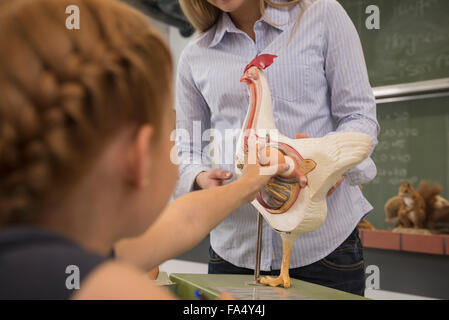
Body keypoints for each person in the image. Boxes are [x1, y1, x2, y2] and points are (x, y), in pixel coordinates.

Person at [0, 0, 288, 299]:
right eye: (171, 128)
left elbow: (186, 220)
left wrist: (249, 184)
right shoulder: (114, 289)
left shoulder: (64, 256)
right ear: (138, 156)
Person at [176, 0, 380, 295]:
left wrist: (331, 168)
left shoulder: (321, 15)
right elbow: (185, 144)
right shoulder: (195, 56)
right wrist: (199, 178)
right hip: (234, 250)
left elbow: (359, 116)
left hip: (324, 250)